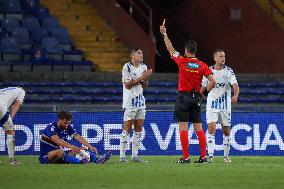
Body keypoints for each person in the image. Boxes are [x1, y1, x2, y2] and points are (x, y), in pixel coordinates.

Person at [160, 20, 216, 163]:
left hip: (183, 97)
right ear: (195, 50)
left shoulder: (182, 61)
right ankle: (204, 157)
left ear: (186, 50)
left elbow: (170, 49)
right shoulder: (202, 65)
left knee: (183, 128)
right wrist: (205, 91)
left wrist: (164, 34)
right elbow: (213, 81)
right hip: (196, 97)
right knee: (199, 128)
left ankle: (186, 157)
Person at [201, 49, 239, 163]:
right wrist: (199, 94)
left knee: (226, 131)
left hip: (225, 106)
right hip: (212, 105)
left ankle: (226, 157)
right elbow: (202, 87)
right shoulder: (208, 71)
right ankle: (211, 156)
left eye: (224, 56)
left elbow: (235, 85)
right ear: (215, 58)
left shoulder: (229, 71)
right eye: (221, 56)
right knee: (211, 129)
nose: (223, 58)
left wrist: (235, 95)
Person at [39, 110, 112, 164]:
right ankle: (80, 162)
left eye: (68, 123)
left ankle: (97, 160)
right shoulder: (51, 127)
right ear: (59, 120)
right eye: (65, 123)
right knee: (59, 151)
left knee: (81, 149)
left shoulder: (67, 127)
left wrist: (90, 146)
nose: (67, 125)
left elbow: (78, 137)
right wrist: (72, 147)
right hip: (47, 157)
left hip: (59, 157)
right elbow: (56, 140)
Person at [119, 47, 152, 163]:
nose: (142, 54)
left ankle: (134, 156)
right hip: (129, 103)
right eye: (139, 53)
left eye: (142, 52)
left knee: (138, 129)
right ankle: (122, 156)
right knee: (127, 128)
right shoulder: (127, 67)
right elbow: (127, 85)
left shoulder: (144, 67)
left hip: (141, 102)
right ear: (133, 56)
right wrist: (141, 78)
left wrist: (146, 79)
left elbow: (145, 86)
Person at [0, 87, 26, 165]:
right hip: (0, 106)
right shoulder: (21, 91)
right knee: (10, 132)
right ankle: (12, 160)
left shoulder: (4, 90)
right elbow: (16, 105)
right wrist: (10, 118)